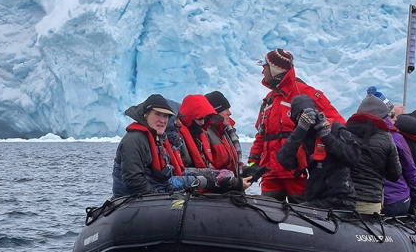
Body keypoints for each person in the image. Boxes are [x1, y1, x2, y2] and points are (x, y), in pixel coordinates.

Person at [248, 49, 345, 202]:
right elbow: (261, 135)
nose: (262, 72)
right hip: (270, 173)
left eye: (265, 67)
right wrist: (253, 164)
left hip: (298, 173)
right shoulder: (269, 100)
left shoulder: (306, 94)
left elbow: (337, 125)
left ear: (275, 69)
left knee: (302, 213)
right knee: (266, 212)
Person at [112, 94, 247, 197]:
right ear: (145, 115)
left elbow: (169, 175)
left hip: (153, 198)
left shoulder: (157, 140)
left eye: (166, 116)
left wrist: (210, 176)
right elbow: (134, 181)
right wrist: (159, 199)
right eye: (157, 114)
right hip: (133, 201)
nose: (162, 120)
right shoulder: (134, 140)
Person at [274, 95, 355, 209]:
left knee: (297, 210)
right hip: (315, 199)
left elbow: (353, 157)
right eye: (302, 116)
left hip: (341, 198)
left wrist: (326, 136)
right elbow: (284, 161)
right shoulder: (301, 137)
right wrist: (300, 130)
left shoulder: (334, 128)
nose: (309, 120)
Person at [338, 93, 403, 215]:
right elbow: (395, 174)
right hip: (371, 201)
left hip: (343, 198)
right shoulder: (387, 138)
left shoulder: (344, 133)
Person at [367, 86, 416, 217]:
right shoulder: (396, 138)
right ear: (384, 115)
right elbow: (410, 171)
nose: (395, 119)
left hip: (367, 200)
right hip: (396, 200)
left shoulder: (357, 134)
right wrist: (415, 201)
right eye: (391, 115)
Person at [174, 94, 238, 173]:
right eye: (226, 109)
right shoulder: (177, 138)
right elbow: (179, 171)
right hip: (200, 179)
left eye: (205, 118)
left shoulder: (223, 133)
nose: (203, 122)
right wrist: (216, 176)